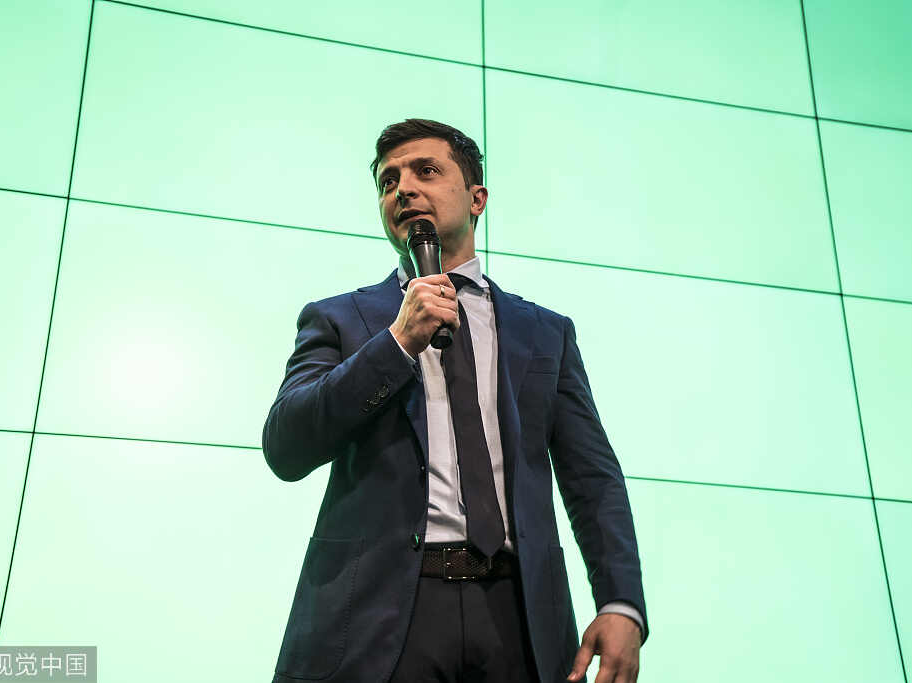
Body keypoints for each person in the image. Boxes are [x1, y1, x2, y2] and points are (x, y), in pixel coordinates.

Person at [262, 119, 648, 683]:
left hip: (519, 616)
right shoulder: (339, 319)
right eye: (388, 181)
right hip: (380, 616)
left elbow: (592, 478)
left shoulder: (547, 333)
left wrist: (621, 602)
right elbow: (286, 446)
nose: (403, 189)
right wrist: (398, 342)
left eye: (426, 171)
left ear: (476, 199)